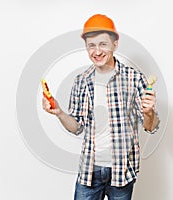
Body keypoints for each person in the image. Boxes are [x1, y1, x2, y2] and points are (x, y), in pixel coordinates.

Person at [42, 14, 160, 200]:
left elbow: (150, 127)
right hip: (90, 171)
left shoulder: (134, 78)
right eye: (91, 45)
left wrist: (149, 112)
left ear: (115, 44)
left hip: (122, 172)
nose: (97, 51)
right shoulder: (81, 81)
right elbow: (77, 127)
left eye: (103, 44)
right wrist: (59, 112)